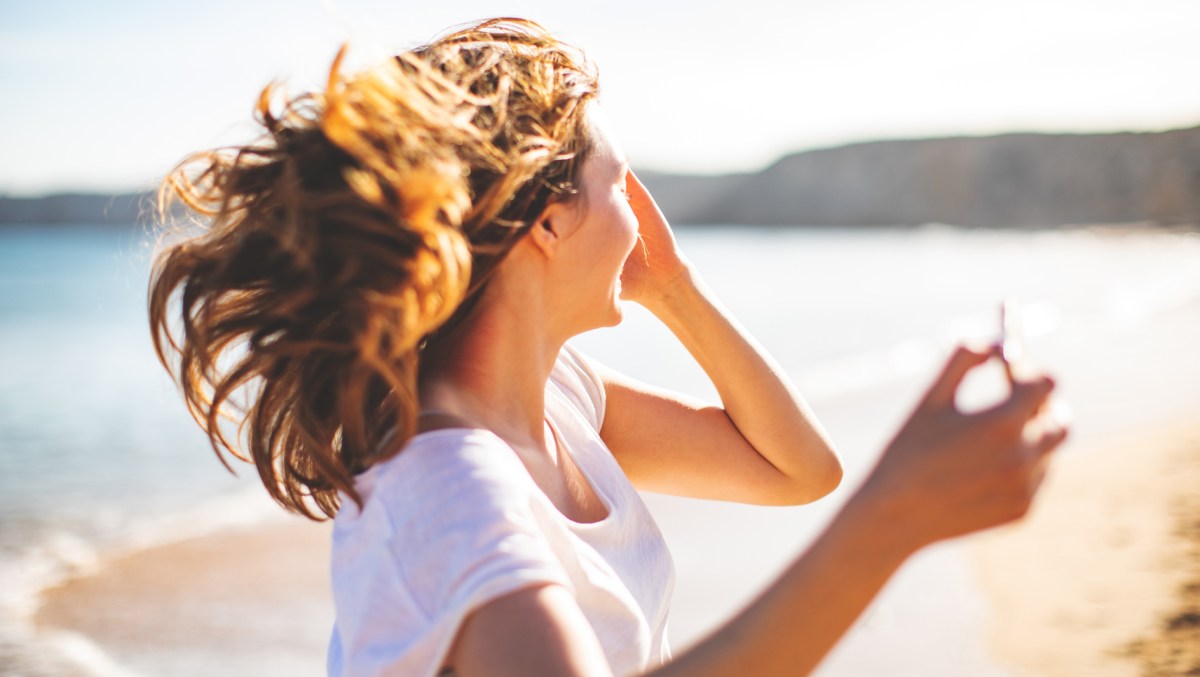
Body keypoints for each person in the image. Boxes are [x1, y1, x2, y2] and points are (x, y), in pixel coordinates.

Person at [147, 18, 1068, 677]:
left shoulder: (556, 398)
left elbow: (798, 469)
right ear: (547, 222)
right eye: (622, 184)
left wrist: (675, 289)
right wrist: (891, 520)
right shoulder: (446, 487)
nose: (640, 215)